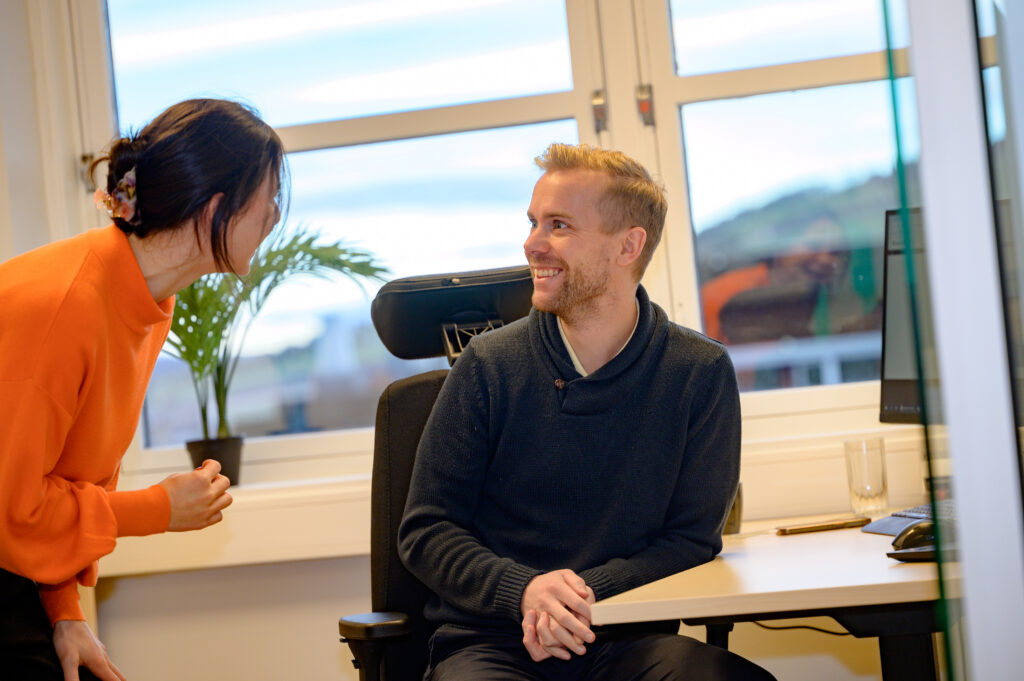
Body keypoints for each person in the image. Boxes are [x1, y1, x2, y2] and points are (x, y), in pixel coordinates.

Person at [398, 143, 776, 680]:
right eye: (533, 222)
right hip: (492, 643)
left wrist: (575, 597)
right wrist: (526, 591)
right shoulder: (487, 365)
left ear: (628, 245)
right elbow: (427, 530)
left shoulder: (699, 371)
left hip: (628, 636)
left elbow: (690, 540)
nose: (532, 244)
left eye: (559, 225)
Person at [0, 98, 286, 681]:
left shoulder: (146, 299)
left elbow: (62, 475)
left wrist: (64, 611)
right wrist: (158, 509)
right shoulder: (63, 306)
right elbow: (13, 507)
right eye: (269, 196)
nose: (276, 215)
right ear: (217, 208)